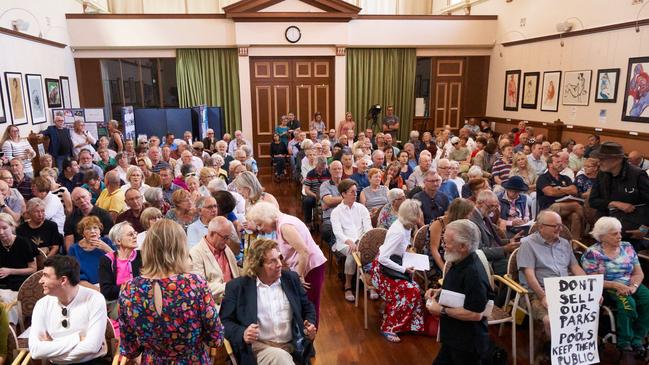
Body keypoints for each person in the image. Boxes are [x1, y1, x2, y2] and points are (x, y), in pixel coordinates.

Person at [118, 219, 224, 363]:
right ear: (181, 248)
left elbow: (129, 349)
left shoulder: (129, 289)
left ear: (148, 248)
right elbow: (215, 338)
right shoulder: (194, 284)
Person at [220, 239, 316, 365]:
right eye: (273, 261)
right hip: (259, 348)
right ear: (257, 265)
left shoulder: (291, 279)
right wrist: (242, 333)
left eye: (279, 258)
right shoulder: (237, 287)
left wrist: (310, 325)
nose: (280, 264)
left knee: (283, 357)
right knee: (281, 358)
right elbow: (224, 322)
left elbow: (308, 307)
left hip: (293, 345)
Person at [247, 202, 327, 326]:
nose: (260, 228)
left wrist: (298, 277)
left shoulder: (284, 226)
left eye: (260, 224)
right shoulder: (282, 223)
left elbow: (304, 251)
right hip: (307, 266)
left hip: (311, 268)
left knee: (309, 305)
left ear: (268, 217)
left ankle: (310, 337)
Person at [426, 219, 492, 365]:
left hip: (467, 344)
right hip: (454, 336)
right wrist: (440, 292)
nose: (443, 246)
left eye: (447, 242)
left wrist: (441, 310)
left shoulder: (473, 273)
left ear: (463, 246)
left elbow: (475, 314)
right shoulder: (459, 260)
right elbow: (461, 290)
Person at [517, 210, 585, 348]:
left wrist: (590, 289)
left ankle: (574, 350)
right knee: (551, 320)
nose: (560, 228)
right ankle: (557, 350)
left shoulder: (565, 243)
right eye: (555, 226)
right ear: (541, 226)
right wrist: (543, 296)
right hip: (537, 292)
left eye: (560, 225)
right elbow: (529, 276)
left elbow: (575, 267)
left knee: (585, 315)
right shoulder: (528, 244)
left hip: (565, 291)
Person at [581, 217, 649, 354]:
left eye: (620, 232)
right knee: (628, 303)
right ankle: (624, 340)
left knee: (647, 299)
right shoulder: (593, 253)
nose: (619, 236)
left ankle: (638, 338)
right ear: (602, 236)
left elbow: (638, 273)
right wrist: (616, 285)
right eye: (614, 234)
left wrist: (633, 286)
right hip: (607, 286)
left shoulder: (627, 247)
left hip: (630, 283)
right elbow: (591, 279)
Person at [29, 256, 108, 364]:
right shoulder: (42, 304)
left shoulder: (94, 299)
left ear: (63, 280)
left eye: (45, 276)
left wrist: (51, 350)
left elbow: (92, 346)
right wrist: (77, 339)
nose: (40, 281)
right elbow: (35, 351)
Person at [370, 199, 425, 342]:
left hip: (394, 264)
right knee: (409, 290)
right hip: (381, 271)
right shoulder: (399, 231)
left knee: (415, 288)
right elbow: (383, 259)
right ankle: (388, 327)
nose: (418, 220)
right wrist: (404, 269)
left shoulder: (406, 226)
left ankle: (408, 324)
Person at [589, 142, 649, 246]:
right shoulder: (602, 174)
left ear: (617, 159)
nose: (599, 163)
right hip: (605, 228)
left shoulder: (637, 175)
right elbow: (593, 201)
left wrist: (645, 228)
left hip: (630, 231)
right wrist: (614, 203)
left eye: (603, 159)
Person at [331, 179, 372, 302]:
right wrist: (350, 242)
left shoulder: (361, 208)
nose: (355, 194)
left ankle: (371, 282)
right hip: (344, 243)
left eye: (356, 191)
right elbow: (338, 232)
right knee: (352, 254)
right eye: (352, 192)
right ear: (343, 194)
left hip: (362, 240)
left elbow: (368, 227)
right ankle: (348, 285)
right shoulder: (336, 212)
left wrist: (363, 240)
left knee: (374, 252)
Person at [99, 222, 141, 334]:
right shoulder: (107, 260)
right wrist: (129, 287)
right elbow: (107, 291)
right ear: (118, 241)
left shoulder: (142, 256)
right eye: (130, 234)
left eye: (135, 233)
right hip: (117, 302)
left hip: (142, 299)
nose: (135, 236)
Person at [190, 216, 240, 309]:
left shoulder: (225, 247)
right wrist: (231, 287)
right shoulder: (195, 253)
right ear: (212, 234)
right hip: (214, 307)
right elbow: (201, 288)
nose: (227, 241)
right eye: (225, 237)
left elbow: (236, 274)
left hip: (236, 302)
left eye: (228, 237)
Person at [424, 198, 475, 285]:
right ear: (460, 214)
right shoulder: (438, 223)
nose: (469, 217)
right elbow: (434, 249)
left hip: (453, 257)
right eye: (467, 214)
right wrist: (444, 269)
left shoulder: (461, 224)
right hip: (437, 260)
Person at [470, 190, 521, 276]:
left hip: (495, 258)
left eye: (495, 206)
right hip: (486, 264)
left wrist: (511, 240)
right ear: (479, 203)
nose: (493, 210)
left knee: (526, 261)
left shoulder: (484, 215)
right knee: (522, 266)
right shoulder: (472, 221)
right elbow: (479, 252)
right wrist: (505, 249)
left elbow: (494, 240)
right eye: (491, 206)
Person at [537, 154, 584, 239]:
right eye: (558, 162)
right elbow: (550, 192)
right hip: (549, 208)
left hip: (566, 206)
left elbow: (574, 190)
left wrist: (558, 189)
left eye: (561, 162)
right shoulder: (543, 178)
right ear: (550, 164)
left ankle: (575, 245)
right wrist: (566, 189)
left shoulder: (565, 178)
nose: (561, 164)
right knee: (576, 205)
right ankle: (592, 227)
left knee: (575, 216)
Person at [68, 216, 115, 286]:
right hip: (88, 287)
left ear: (99, 231)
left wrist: (106, 248)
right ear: (82, 233)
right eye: (88, 229)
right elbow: (76, 276)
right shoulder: (74, 249)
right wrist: (98, 291)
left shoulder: (107, 241)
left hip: (110, 283)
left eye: (95, 228)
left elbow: (120, 262)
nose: (92, 231)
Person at [64, 188, 113, 252]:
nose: (82, 200)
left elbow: (109, 239)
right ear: (74, 203)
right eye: (77, 199)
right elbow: (69, 243)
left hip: (101, 250)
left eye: (83, 197)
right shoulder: (70, 218)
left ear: (90, 196)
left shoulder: (104, 214)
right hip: (79, 251)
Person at [0, 213, 37, 291]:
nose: (1, 232)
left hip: (20, 282)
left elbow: (33, 269)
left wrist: (10, 271)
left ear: (12, 227)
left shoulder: (24, 243)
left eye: (4, 228)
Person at [320, 160, 343, 248]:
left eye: (339, 168)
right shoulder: (325, 185)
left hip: (345, 214)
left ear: (342, 170)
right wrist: (345, 198)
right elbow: (328, 201)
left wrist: (331, 203)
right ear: (330, 171)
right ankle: (336, 247)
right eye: (334, 169)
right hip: (329, 216)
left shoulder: (347, 184)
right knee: (326, 230)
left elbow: (352, 200)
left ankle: (342, 247)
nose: (337, 171)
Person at [302, 157, 330, 229]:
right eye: (320, 167)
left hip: (327, 195)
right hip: (314, 195)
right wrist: (316, 196)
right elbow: (307, 190)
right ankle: (308, 223)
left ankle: (327, 221)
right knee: (307, 201)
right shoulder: (310, 173)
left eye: (324, 167)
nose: (322, 169)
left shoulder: (328, 173)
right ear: (316, 165)